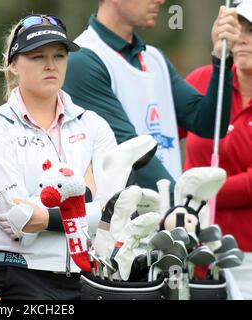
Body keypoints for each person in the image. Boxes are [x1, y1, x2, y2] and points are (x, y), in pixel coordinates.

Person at [0, 14, 117, 299]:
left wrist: (47, 217)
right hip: (17, 276)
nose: (51, 64)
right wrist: (83, 202)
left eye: (59, 55)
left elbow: (111, 214)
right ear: (13, 64)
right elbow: (22, 220)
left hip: (87, 277)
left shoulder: (94, 125)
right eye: (38, 56)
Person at [63, 0, 241, 195]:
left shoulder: (154, 58)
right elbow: (131, 152)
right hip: (122, 221)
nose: (160, 1)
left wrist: (221, 58)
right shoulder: (82, 60)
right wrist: (179, 206)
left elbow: (210, 125)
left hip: (167, 219)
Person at [183, 0, 252, 299]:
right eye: (238, 28)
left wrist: (193, 191)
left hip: (248, 256)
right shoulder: (204, 80)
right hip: (192, 250)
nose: (243, 37)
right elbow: (161, 141)